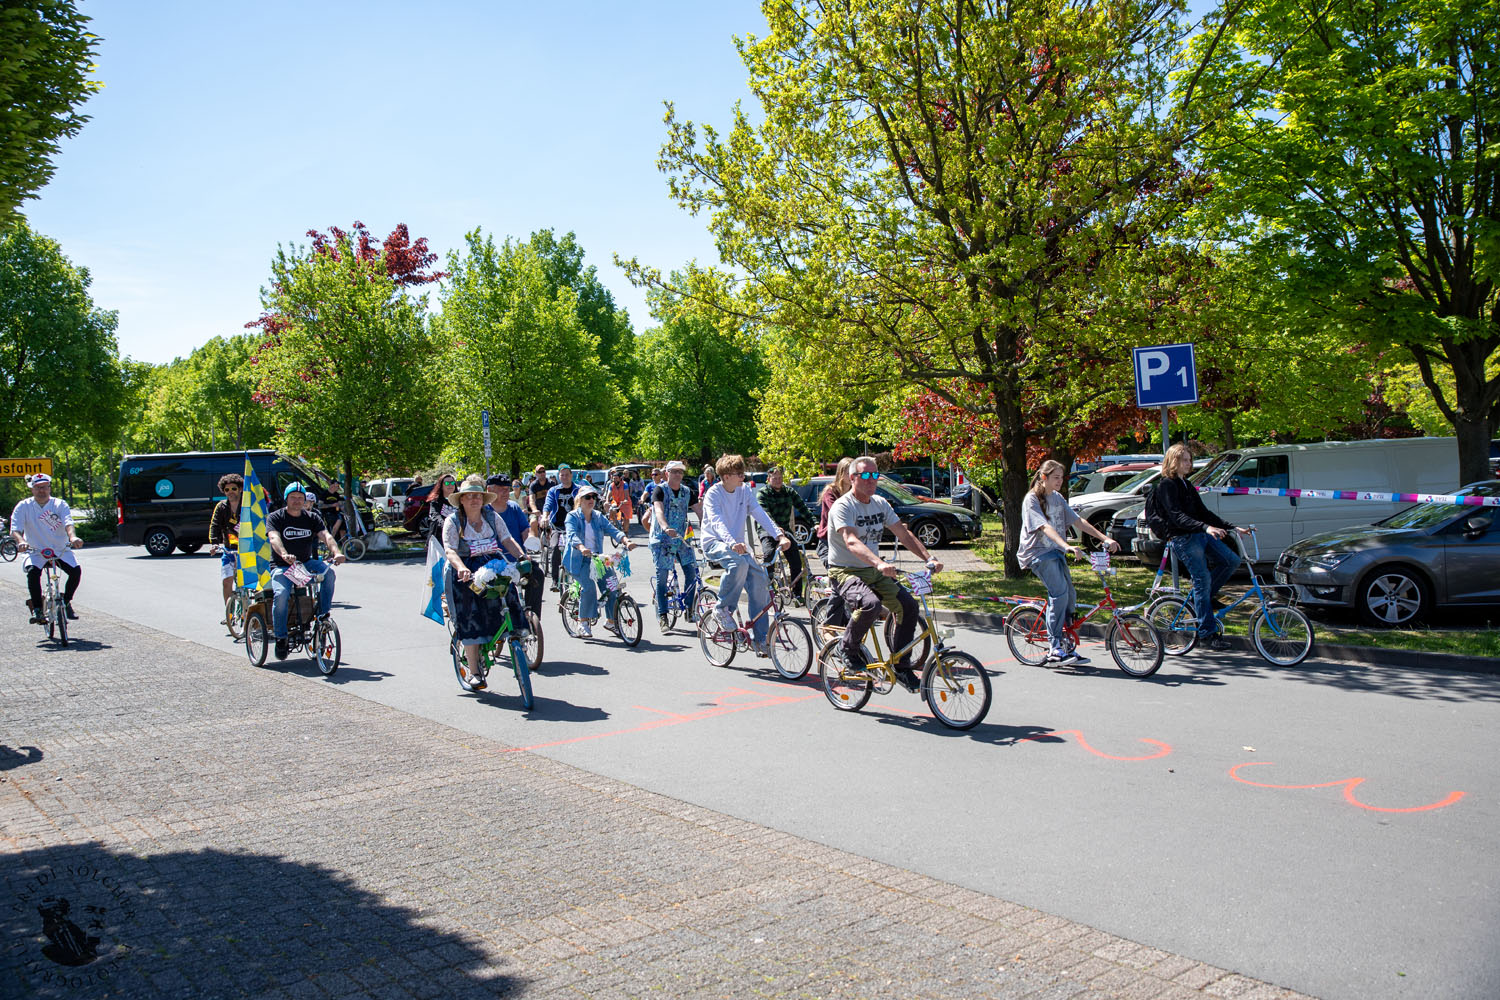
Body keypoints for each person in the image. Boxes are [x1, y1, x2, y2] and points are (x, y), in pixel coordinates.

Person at [827, 456, 943, 692]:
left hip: (873, 569)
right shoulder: (843, 506)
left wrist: (929, 558)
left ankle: (901, 666)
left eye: (875, 475)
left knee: (908, 606)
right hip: (844, 570)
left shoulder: (880, 503)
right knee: (870, 604)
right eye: (866, 475)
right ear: (852, 478)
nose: (872, 480)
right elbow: (850, 540)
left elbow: (903, 533)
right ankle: (847, 648)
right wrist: (879, 563)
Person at [1018, 459, 1120, 665]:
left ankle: (1066, 643)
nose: (1060, 481)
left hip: (1056, 551)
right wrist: (1066, 546)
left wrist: (1105, 538)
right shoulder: (1032, 500)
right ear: (1043, 477)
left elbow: (1078, 520)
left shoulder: (1057, 498)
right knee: (1059, 594)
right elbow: (1044, 527)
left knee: (1070, 595)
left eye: (1062, 477)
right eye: (1056, 477)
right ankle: (1054, 647)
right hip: (1037, 553)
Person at [1152, 443, 1249, 653]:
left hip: (1200, 533)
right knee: (1202, 579)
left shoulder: (1186, 484)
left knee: (1231, 560)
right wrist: (1205, 528)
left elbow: (1203, 512)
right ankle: (1207, 634)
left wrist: (1232, 528)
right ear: (1174, 461)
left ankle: (1202, 599)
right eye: (1185, 460)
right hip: (1184, 539)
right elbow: (1177, 516)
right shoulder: (1166, 485)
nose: (1189, 464)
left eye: (1190, 460)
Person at [444, 475, 531, 687]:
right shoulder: (453, 521)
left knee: (509, 595)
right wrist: (462, 568)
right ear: (461, 499)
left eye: (478, 496)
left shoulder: (492, 517)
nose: (475, 499)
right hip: (464, 570)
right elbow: (450, 550)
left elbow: (507, 539)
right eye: (470, 496)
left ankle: (516, 636)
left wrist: (521, 557)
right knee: (470, 614)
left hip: (492, 565)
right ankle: (474, 671)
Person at [700, 454, 789, 656]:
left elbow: (759, 513)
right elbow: (716, 522)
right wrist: (731, 542)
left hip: (738, 546)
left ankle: (760, 640)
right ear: (725, 476)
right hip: (715, 542)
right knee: (738, 564)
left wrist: (778, 534)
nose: (743, 477)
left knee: (760, 582)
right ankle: (722, 608)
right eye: (738, 474)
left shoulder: (744, 491)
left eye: (743, 473)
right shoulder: (713, 494)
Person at [266, 482, 346, 660]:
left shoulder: (312, 517)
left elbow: (326, 536)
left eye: (300, 498)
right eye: (293, 498)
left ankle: (323, 618)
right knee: (281, 595)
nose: (297, 501)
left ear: (305, 500)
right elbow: (274, 537)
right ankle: (281, 637)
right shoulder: (275, 517)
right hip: (282, 566)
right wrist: (284, 554)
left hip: (306, 563)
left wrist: (337, 552)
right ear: (286, 499)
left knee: (329, 574)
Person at [560, 484, 637, 638]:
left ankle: (610, 621)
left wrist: (626, 541)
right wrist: (581, 547)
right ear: (579, 500)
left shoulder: (598, 516)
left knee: (613, 586)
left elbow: (612, 530)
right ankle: (583, 622)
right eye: (587, 497)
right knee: (588, 588)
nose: (591, 500)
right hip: (578, 560)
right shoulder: (572, 516)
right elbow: (571, 535)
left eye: (593, 497)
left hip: (597, 560)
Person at [11, 473, 84, 624]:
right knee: (33, 574)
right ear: (32, 489)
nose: (41, 491)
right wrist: (21, 542)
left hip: (59, 548)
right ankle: (38, 608)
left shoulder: (59, 504)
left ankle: (66, 601)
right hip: (35, 550)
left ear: (49, 488)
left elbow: (68, 523)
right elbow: (15, 529)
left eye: (44, 487)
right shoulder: (23, 506)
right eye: (38, 488)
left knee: (75, 571)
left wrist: (72, 538)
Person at [649, 460, 703, 631]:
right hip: (662, 539)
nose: (678, 475)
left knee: (692, 571)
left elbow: (700, 512)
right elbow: (658, 510)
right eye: (674, 472)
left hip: (681, 538)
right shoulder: (660, 490)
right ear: (667, 474)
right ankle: (663, 615)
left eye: (680, 472)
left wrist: (707, 527)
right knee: (663, 576)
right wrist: (665, 526)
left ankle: (688, 608)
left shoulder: (687, 492)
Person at [487, 473, 544, 620]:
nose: (506, 492)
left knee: (537, 574)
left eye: (507, 489)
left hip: (517, 559)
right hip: (494, 562)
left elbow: (524, 530)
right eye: (501, 489)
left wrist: (529, 544)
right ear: (489, 490)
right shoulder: (484, 512)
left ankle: (531, 617)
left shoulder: (513, 508)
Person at [758, 466, 814, 604]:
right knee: (769, 555)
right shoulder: (763, 493)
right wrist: (775, 528)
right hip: (767, 529)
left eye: (780, 478)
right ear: (768, 479)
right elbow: (765, 514)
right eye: (774, 478)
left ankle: (797, 594)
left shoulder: (789, 492)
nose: (778, 481)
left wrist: (815, 523)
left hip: (785, 531)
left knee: (796, 560)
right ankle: (770, 589)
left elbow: (803, 508)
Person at [542, 464, 581, 588]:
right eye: (562, 475)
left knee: (579, 549)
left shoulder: (579, 489)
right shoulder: (553, 491)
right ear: (559, 476)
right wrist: (545, 516)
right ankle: (555, 580)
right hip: (557, 526)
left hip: (575, 527)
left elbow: (589, 499)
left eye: (567, 474)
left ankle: (579, 578)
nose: (564, 477)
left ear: (571, 475)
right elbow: (548, 505)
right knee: (555, 548)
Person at [208, 473, 243, 610]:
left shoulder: (248, 505)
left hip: (247, 550)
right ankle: (229, 613)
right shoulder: (221, 507)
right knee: (227, 581)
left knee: (249, 583)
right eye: (227, 490)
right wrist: (214, 543)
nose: (230, 492)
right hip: (229, 550)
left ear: (240, 488)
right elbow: (215, 525)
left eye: (233, 489)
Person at [816, 458, 854, 564]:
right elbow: (837, 512)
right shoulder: (831, 492)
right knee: (837, 574)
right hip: (828, 542)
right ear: (841, 473)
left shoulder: (855, 493)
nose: (852, 477)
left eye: (855, 473)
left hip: (846, 542)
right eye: (849, 473)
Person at [423, 473, 459, 539]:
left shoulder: (460, 501)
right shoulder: (435, 502)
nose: (450, 485)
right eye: (447, 483)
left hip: (456, 536)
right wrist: (446, 525)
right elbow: (435, 516)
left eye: (452, 483)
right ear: (441, 486)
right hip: (439, 536)